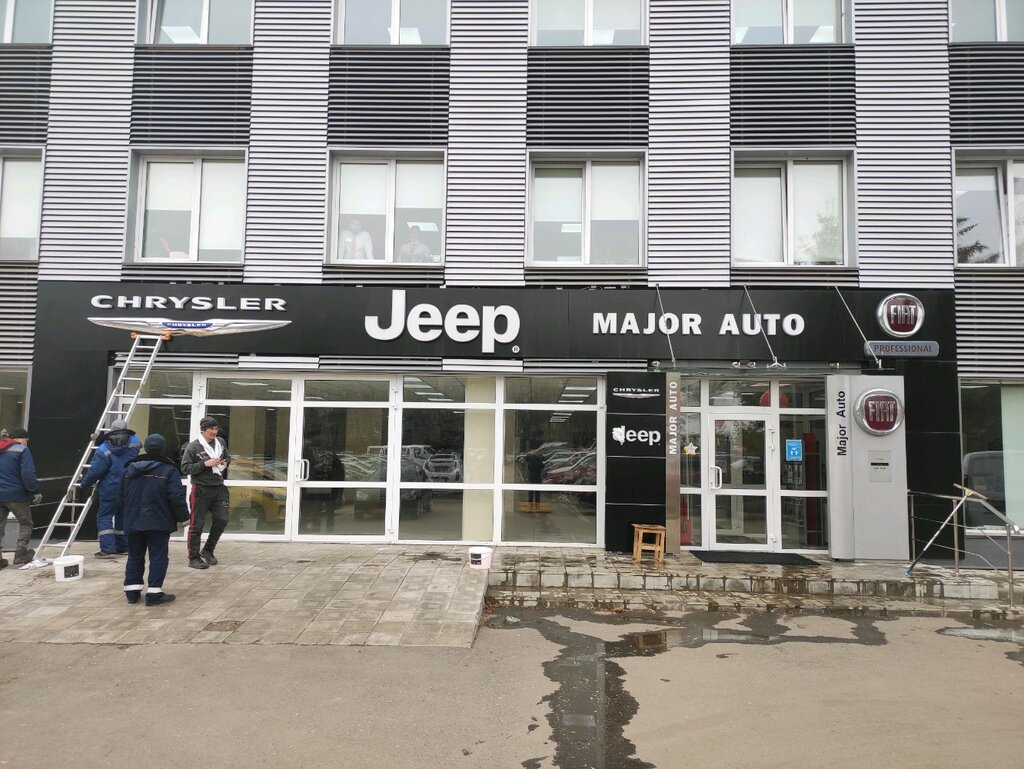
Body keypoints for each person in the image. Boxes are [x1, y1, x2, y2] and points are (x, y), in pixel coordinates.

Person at [120, 433, 188, 606]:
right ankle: (154, 593)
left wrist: (124, 517)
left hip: (133, 521)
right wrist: (183, 517)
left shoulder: (129, 469)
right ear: (163, 448)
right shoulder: (169, 470)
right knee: (158, 556)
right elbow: (176, 497)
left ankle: (132, 592)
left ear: (146, 447)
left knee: (135, 555)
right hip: (159, 521)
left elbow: (120, 496)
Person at [78, 419, 141, 558]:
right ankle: (123, 546)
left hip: (110, 487)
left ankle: (107, 549)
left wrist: (84, 484)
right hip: (128, 485)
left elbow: (95, 471)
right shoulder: (135, 442)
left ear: (111, 430)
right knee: (122, 515)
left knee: (104, 516)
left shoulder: (103, 449)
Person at [180, 416, 231, 570]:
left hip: (219, 487)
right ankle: (193, 557)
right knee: (197, 524)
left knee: (222, 519)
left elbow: (227, 457)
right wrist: (205, 464)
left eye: (216, 429)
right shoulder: (193, 447)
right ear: (203, 430)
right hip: (201, 489)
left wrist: (225, 462)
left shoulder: (220, 442)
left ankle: (208, 550)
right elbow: (185, 468)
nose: (214, 432)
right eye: (211, 429)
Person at [0, 428, 41, 568]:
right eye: (26, 440)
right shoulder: (22, 450)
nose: (26, 443)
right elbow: (27, 474)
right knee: (26, 523)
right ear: (19, 438)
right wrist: (35, 491)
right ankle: (20, 554)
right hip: (17, 496)